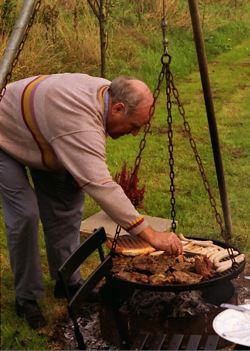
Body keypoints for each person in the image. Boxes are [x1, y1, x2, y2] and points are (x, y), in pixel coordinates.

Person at [0, 73, 182, 329]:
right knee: (25, 214)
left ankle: (67, 283)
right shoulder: (78, 122)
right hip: (5, 134)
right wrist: (150, 235)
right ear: (118, 108)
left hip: (45, 134)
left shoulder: (106, 93)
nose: (134, 133)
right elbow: (101, 185)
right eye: (134, 125)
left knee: (67, 201)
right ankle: (27, 298)